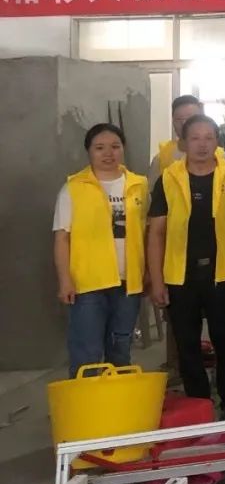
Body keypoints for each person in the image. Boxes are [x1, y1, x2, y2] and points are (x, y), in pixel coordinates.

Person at [147, 115, 225, 419]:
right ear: (183, 143)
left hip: (222, 273)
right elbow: (157, 232)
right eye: (195, 138)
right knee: (187, 345)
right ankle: (199, 404)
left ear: (217, 141)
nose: (202, 145)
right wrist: (157, 280)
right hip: (180, 275)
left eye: (209, 138)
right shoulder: (168, 179)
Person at [54, 124, 148, 378]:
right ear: (89, 151)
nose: (108, 153)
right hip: (88, 284)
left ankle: (117, 400)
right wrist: (65, 280)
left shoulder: (139, 185)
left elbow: (146, 232)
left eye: (115, 147)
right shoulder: (74, 187)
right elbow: (62, 238)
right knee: (87, 352)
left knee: (121, 348)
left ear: (123, 149)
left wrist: (148, 272)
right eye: (100, 148)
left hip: (128, 281)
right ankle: (85, 401)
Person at [149, 95, 225, 196]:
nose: (184, 123)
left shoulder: (222, 157)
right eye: (179, 119)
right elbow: (152, 194)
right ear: (173, 122)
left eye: (190, 118)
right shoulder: (161, 159)